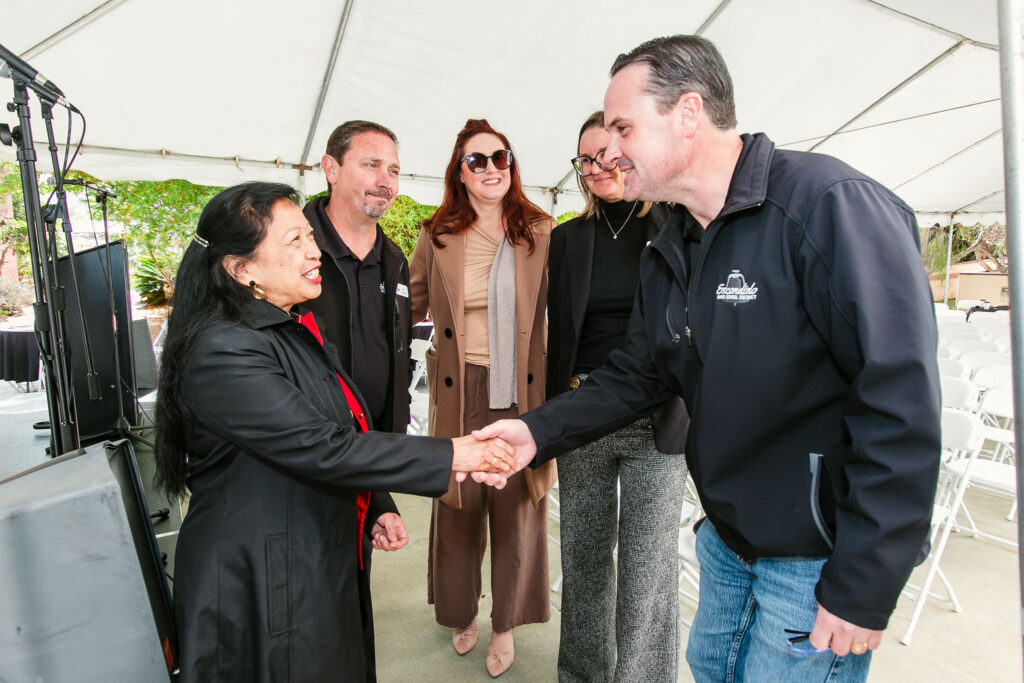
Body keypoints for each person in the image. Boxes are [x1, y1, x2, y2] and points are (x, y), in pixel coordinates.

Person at [476, 35, 940, 682]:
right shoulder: (673, 240)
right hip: (725, 541)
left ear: (688, 114)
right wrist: (535, 431)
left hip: (813, 560)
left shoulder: (827, 205)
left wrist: (866, 580)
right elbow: (636, 373)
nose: (608, 149)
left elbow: (901, 403)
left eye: (623, 126)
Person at [154, 182, 518, 683]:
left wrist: (374, 504)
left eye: (310, 235)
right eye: (294, 241)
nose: (313, 250)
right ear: (242, 270)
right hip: (260, 581)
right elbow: (323, 447)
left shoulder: (286, 326)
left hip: (311, 557)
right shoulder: (223, 349)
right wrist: (456, 453)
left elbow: (340, 425)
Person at [409, 118, 556, 678]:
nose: (491, 168)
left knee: (518, 512)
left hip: (520, 393)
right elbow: (409, 306)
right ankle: (462, 611)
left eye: (501, 157)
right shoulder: (437, 235)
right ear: (460, 173)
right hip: (458, 391)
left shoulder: (540, 231)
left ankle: (505, 625)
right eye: (478, 161)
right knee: (459, 508)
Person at [547, 110, 689, 682]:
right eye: (585, 158)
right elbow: (559, 335)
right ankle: (581, 676)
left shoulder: (676, 226)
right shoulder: (567, 238)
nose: (597, 166)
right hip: (584, 411)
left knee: (647, 569)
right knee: (582, 560)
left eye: (608, 151)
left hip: (657, 419)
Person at [297, 120, 411, 558]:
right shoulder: (292, 251)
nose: (386, 181)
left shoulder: (395, 260)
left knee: (352, 585)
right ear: (331, 168)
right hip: (306, 461)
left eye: (395, 170)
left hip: (370, 456)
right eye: (371, 165)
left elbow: (396, 359)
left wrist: (381, 493)